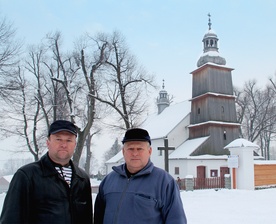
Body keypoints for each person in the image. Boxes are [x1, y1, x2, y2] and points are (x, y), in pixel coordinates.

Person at [0, 120, 93, 224]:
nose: (63, 145)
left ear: (75, 144)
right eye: (58, 139)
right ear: (48, 142)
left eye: (69, 140)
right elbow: (11, 218)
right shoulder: (27, 175)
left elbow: (87, 218)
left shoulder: (82, 178)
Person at [94, 128, 187, 224]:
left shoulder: (164, 182)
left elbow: (176, 219)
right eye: (130, 149)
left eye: (139, 149)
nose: (135, 153)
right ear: (123, 152)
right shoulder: (109, 181)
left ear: (149, 151)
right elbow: (98, 218)